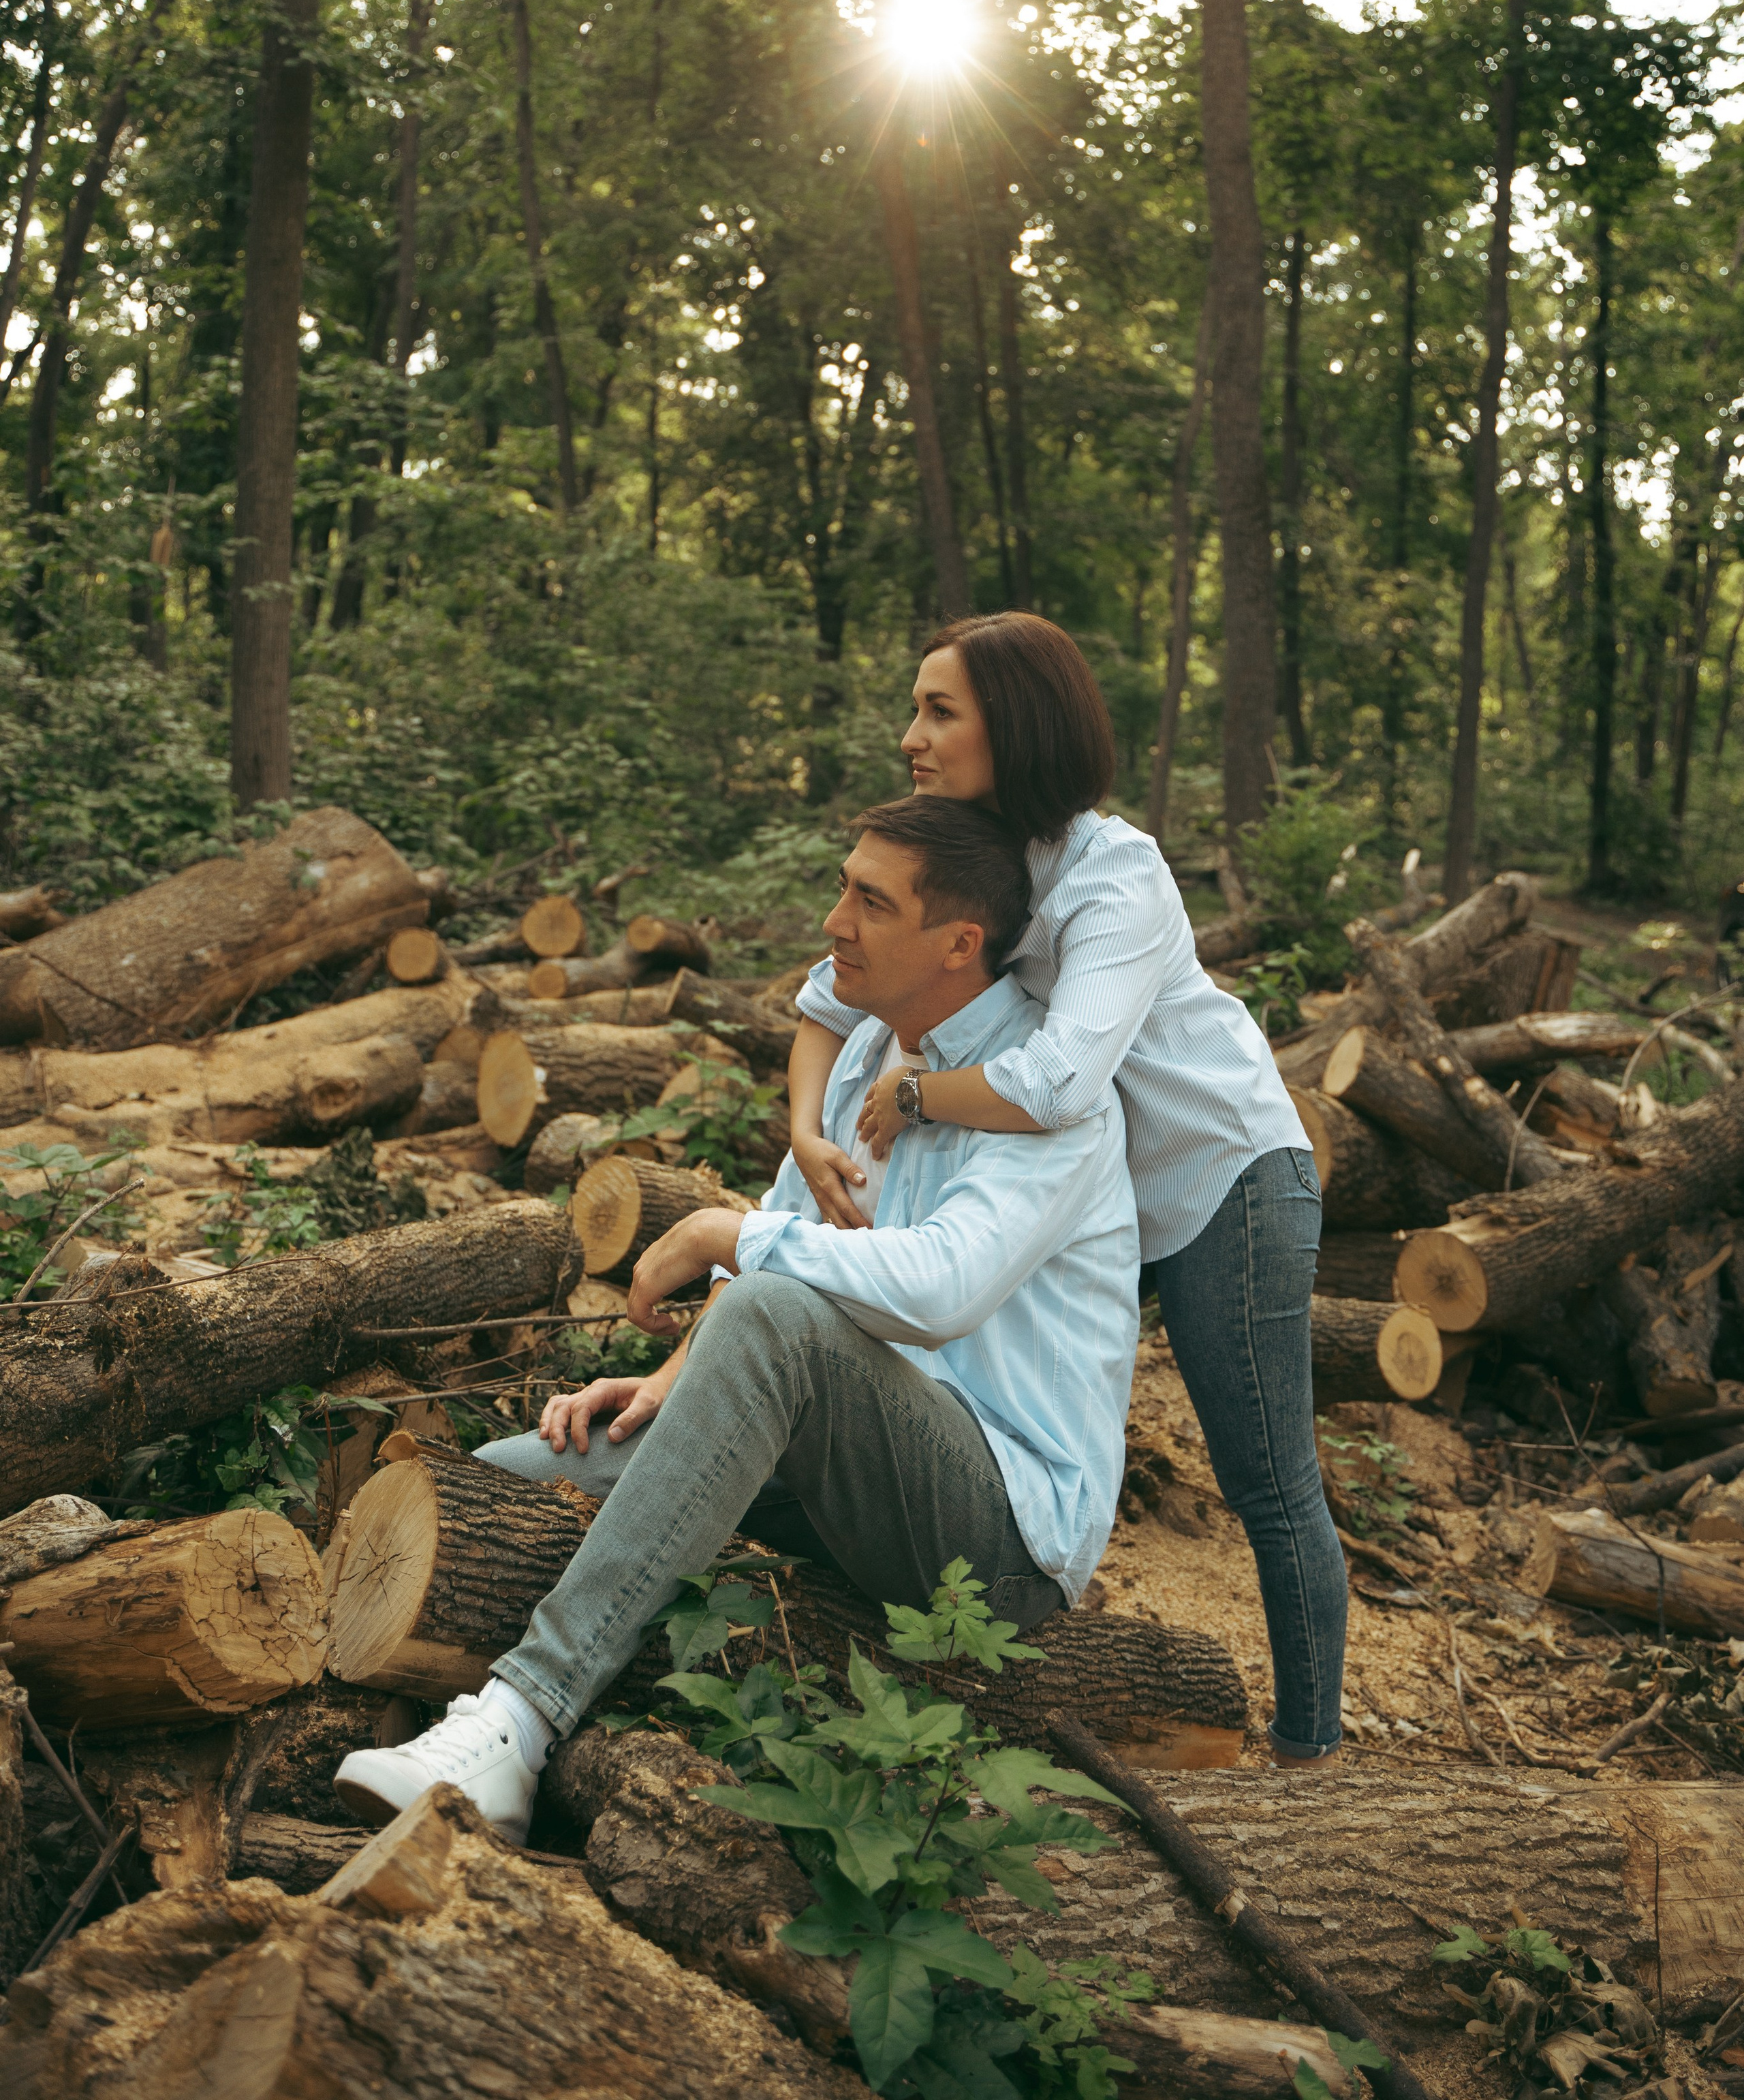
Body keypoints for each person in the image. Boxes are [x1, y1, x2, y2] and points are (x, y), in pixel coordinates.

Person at [334, 795, 1140, 1841]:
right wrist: (679, 1384)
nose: (833, 924)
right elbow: (795, 1229)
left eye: (868, 901)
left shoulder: (1053, 1099)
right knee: (493, 1485)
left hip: (996, 1534)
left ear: (958, 943)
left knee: (768, 1311)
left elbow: (938, 1294)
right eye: (843, 887)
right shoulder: (869, 1057)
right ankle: (380, 1712)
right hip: (841, 1463)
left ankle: (518, 1726)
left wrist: (724, 1235)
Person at [787, 612, 1345, 1765]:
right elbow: (824, 1001)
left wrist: (919, 1101)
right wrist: (805, 1133)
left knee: (1265, 1477)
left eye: (941, 712)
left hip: (1218, 1178)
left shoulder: (1115, 874)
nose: (912, 737)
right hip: (1091, 1188)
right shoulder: (961, 847)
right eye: (914, 708)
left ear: (1020, 727)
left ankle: (1311, 1755)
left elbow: (1055, 1080)